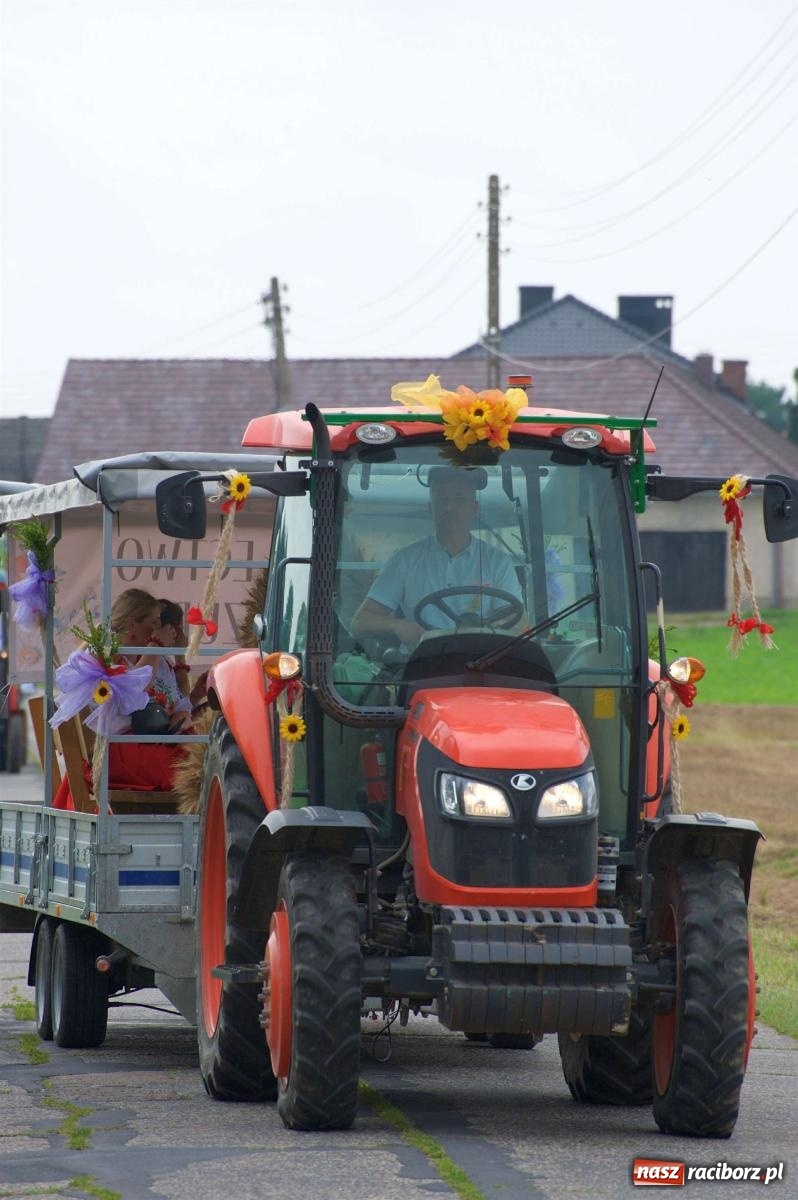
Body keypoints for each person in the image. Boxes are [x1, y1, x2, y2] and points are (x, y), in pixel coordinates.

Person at [351, 466, 525, 651]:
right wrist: (399, 626)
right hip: (420, 662)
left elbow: (518, 623)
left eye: (459, 499)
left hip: (481, 660)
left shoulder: (498, 562)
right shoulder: (404, 560)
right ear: (430, 508)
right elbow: (360, 622)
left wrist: (494, 628)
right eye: (442, 500)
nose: (449, 508)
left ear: (474, 508)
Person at [155, 598, 208, 718]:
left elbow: (180, 705)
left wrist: (195, 696)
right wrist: (180, 657)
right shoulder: (151, 661)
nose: (183, 637)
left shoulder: (164, 660)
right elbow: (177, 709)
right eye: (180, 630)